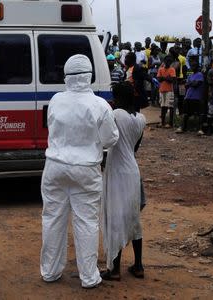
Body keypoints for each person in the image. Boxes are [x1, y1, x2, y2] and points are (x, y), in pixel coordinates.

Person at [40, 54, 119, 289]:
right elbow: (110, 139)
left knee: (52, 218)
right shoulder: (99, 105)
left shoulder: (55, 100)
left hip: (54, 166)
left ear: (66, 76)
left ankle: (50, 271)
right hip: (86, 169)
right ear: (89, 76)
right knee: (86, 222)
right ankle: (89, 277)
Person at [101, 81, 146, 281]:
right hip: (132, 170)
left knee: (115, 218)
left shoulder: (116, 115)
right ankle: (138, 266)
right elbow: (134, 148)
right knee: (133, 220)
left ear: (118, 98)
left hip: (117, 170)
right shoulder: (141, 119)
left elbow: (106, 140)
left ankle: (115, 269)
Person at [176, 56, 204, 134]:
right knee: (185, 113)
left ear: (198, 67)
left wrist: (189, 83)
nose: (192, 67)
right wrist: (190, 83)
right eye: (192, 66)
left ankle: (200, 129)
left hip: (197, 97)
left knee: (198, 114)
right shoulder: (190, 75)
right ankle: (182, 127)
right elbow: (187, 85)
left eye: (194, 66)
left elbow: (196, 84)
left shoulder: (200, 74)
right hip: (188, 96)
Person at [157, 55, 176, 128]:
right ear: (164, 62)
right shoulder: (161, 69)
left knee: (170, 106)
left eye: (169, 62)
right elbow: (159, 79)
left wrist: (163, 78)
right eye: (166, 61)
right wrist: (167, 78)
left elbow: (173, 80)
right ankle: (163, 122)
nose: (167, 63)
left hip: (169, 90)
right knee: (163, 106)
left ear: (171, 62)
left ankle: (170, 123)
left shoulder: (172, 69)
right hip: (162, 90)